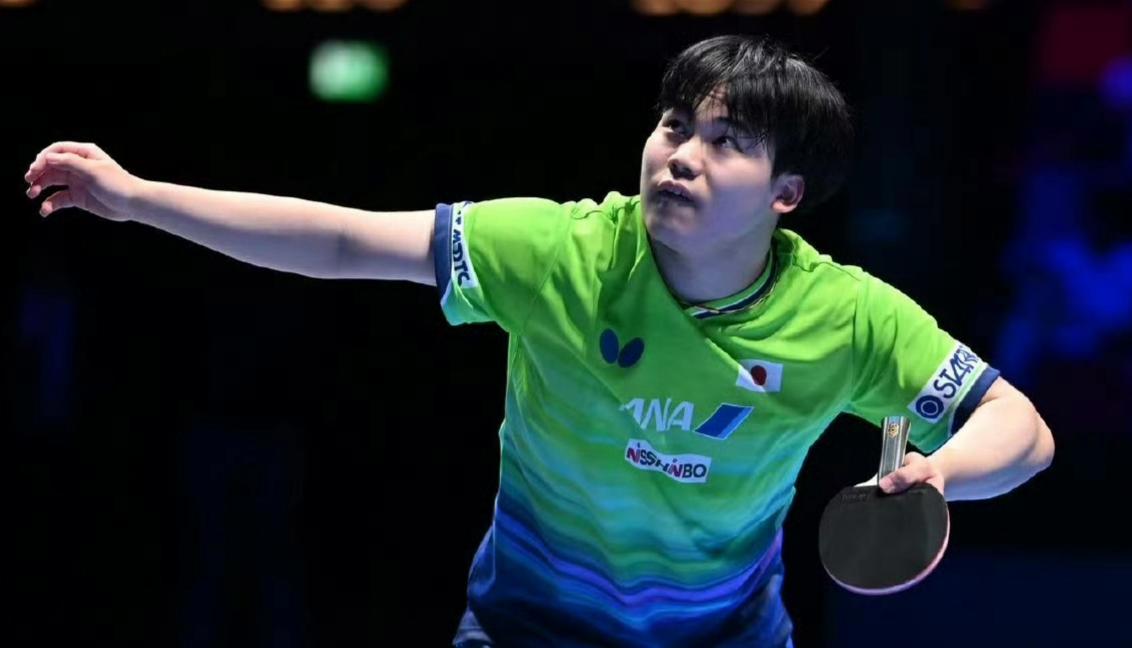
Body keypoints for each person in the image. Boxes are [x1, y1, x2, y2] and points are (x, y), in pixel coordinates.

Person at [23, 34, 1053, 647]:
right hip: (525, 628)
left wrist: (940, 472)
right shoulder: (559, 252)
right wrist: (138, 198)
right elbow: (343, 240)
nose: (681, 155)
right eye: (673, 125)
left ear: (786, 193)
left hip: (723, 639)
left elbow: (1020, 428)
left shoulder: (847, 318)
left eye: (725, 143)